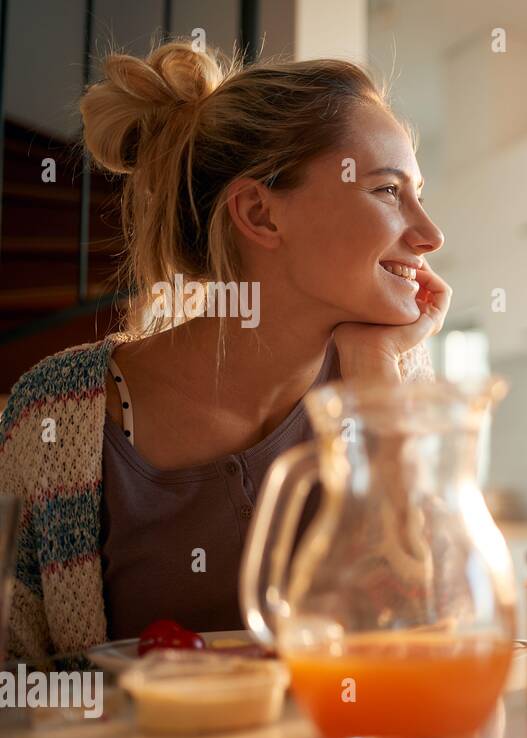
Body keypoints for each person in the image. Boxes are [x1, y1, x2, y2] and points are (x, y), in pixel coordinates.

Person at [0, 41, 451, 659]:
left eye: (418, 193)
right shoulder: (54, 416)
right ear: (260, 214)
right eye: (387, 191)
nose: (429, 235)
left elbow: (432, 637)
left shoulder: (394, 384)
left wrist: (375, 372)